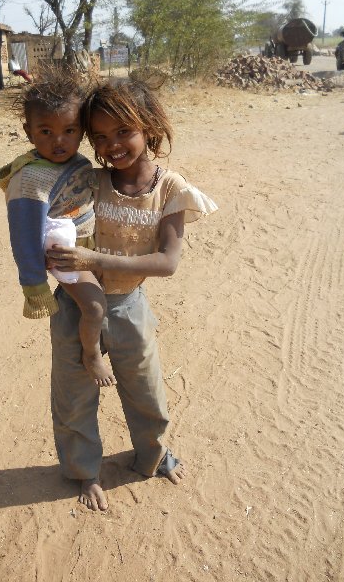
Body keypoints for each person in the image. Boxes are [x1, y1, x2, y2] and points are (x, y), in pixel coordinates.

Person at [46, 77, 218, 511]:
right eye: (100, 136)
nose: (113, 145)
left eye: (124, 131)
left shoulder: (171, 189)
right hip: (75, 306)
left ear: (149, 126)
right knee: (75, 395)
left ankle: (154, 456)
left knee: (145, 391)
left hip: (128, 307)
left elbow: (167, 262)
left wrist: (95, 261)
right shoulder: (87, 180)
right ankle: (85, 472)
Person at [0, 70, 116, 387]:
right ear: (29, 131)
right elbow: (23, 238)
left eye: (69, 130)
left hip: (88, 246)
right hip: (65, 254)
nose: (58, 140)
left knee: (103, 297)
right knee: (94, 306)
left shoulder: (77, 161)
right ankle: (91, 354)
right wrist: (35, 287)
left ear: (82, 131)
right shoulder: (31, 180)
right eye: (46, 131)